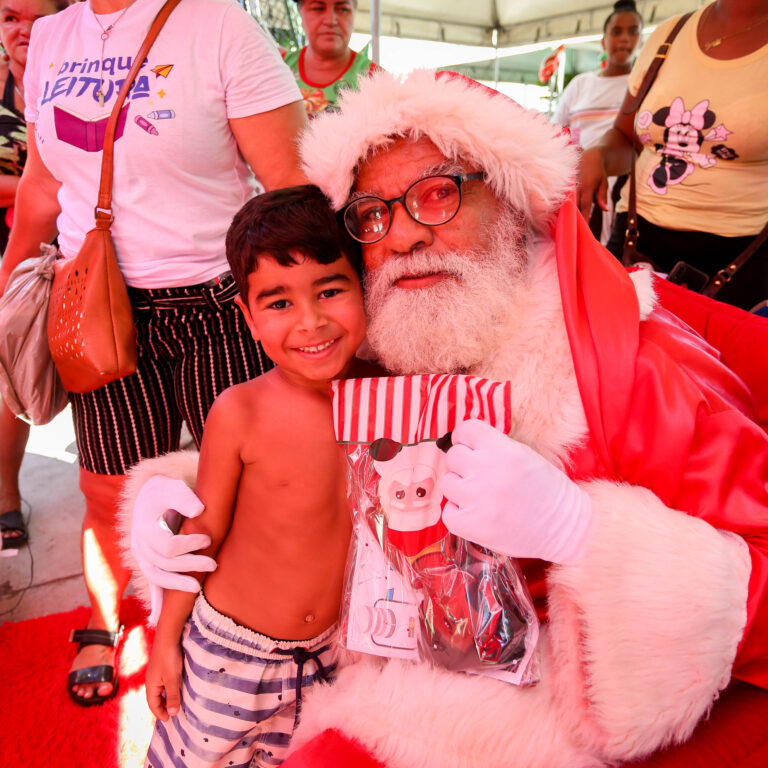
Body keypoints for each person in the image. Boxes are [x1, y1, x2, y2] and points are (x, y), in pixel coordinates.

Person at [126, 70, 768, 767]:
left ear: (516, 203)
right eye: (374, 214)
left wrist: (581, 530)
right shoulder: (390, 337)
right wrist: (179, 505)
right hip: (342, 667)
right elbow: (296, 455)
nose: (400, 237)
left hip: (539, 711)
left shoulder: (634, 368)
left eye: (437, 194)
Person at [0, 0, 307, 706]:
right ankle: (103, 617)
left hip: (219, 306)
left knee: (246, 489)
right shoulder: (52, 35)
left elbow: (290, 181)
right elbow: (45, 186)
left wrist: (299, 307)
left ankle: (241, 622)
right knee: (108, 486)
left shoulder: (218, 21)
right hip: (96, 304)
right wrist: (6, 295)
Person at [144, 185, 372, 768]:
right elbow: (203, 533)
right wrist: (165, 641)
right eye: (279, 303)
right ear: (246, 317)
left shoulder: (387, 397)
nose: (311, 321)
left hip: (327, 658)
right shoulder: (240, 411)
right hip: (229, 654)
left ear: (363, 285)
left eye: (330, 289)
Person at [579, 0, 768, 312]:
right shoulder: (667, 36)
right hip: (635, 241)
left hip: (740, 258)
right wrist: (598, 156)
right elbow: (626, 138)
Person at [0, 0, 67, 553]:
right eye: (9, 18)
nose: (24, 31)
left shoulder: (76, 78)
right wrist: (37, 185)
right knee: (8, 377)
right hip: (12, 253)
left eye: (36, 19)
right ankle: (4, 497)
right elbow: (58, 180)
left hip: (72, 257)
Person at [552, 0, 642, 243]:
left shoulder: (643, 86)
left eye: (633, 32)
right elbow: (555, 135)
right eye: (616, 32)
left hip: (627, 196)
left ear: (641, 40)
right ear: (604, 41)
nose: (624, 39)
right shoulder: (580, 84)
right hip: (579, 188)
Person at [284, 0, 377, 117]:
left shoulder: (377, 80)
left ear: (354, 13)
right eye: (318, 8)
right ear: (300, 12)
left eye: (343, 9)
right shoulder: (275, 69)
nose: (330, 20)